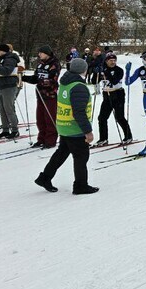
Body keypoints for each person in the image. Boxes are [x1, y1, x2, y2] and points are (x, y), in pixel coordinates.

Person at [34, 57, 99, 195]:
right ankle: (80, 185)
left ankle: (45, 177)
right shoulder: (78, 87)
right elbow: (79, 112)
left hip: (63, 126)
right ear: (84, 70)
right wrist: (88, 131)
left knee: (61, 153)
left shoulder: (65, 82)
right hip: (75, 128)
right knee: (81, 157)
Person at [21, 45, 61, 149]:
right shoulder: (40, 64)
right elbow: (35, 78)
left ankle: (50, 140)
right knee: (40, 119)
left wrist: (40, 82)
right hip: (40, 94)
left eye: (41, 53)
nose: (39, 55)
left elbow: (53, 80)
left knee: (49, 118)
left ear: (47, 53)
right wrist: (24, 78)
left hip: (50, 95)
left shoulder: (54, 64)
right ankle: (41, 139)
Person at [95, 53, 133, 147]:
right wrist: (96, 73)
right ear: (106, 61)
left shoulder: (119, 70)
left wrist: (106, 72)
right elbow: (94, 81)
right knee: (102, 118)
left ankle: (128, 136)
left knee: (119, 117)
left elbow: (115, 80)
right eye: (110, 61)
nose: (113, 62)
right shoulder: (103, 69)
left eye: (114, 60)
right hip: (107, 96)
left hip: (118, 94)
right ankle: (103, 138)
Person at [0, 43, 21, 139]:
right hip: (1, 86)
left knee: (9, 109)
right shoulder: (2, 59)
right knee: (2, 109)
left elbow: (6, 71)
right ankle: (5, 130)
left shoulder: (10, 59)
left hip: (9, 86)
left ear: (3, 51)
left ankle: (15, 130)